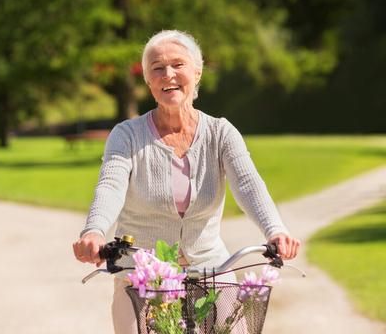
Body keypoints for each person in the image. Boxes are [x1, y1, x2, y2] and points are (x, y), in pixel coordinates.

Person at [72, 29, 300, 333]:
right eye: (157, 68)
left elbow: (248, 184)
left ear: (197, 71)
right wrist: (95, 230)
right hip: (142, 274)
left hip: (210, 268)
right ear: (148, 81)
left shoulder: (220, 133)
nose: (169, 75)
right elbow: (110, 184)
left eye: (178, 65)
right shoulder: (126, 135)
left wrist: (275, 230)